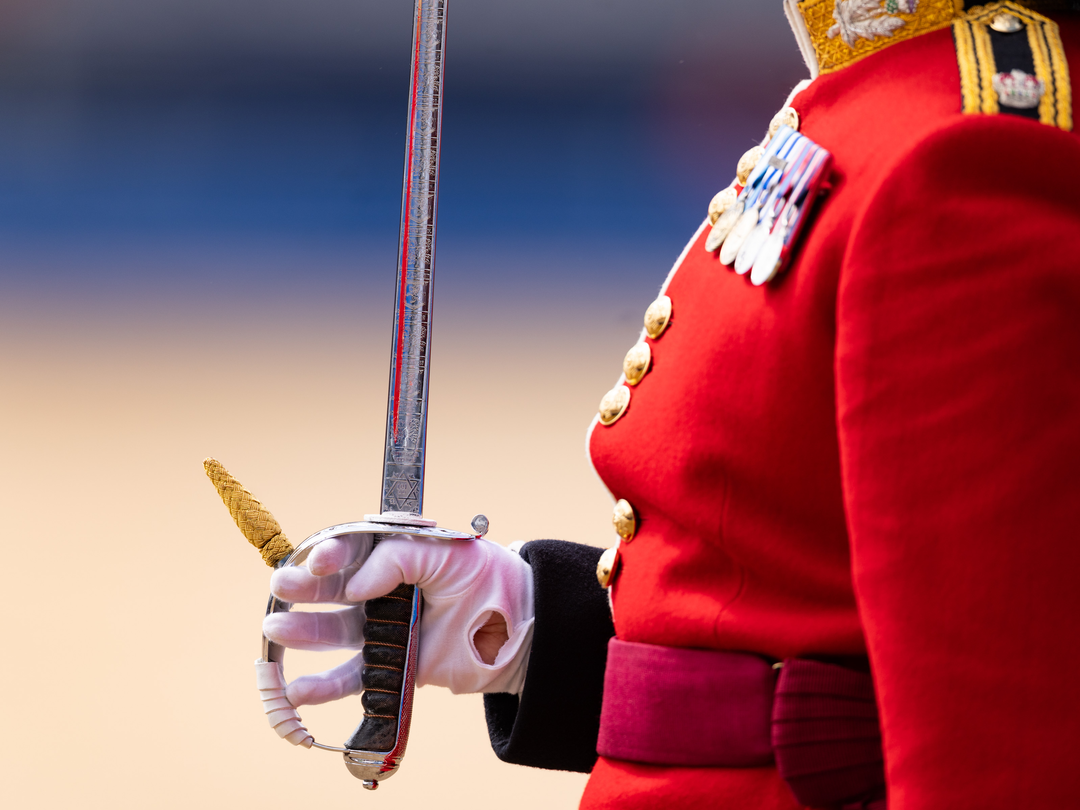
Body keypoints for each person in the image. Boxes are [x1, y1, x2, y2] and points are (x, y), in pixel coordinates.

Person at [262, 1, 1080, 807]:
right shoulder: (883, 106)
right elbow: (815, 657)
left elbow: (1002, 740)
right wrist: (529, 632)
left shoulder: (969, 147)